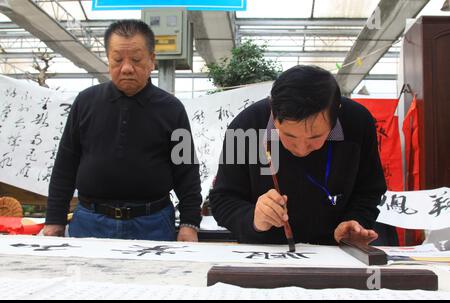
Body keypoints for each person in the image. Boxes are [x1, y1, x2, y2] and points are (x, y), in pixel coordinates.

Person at [43, 20, 201, 241]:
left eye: (136, 60)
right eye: (118, 60)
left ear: (152, 60)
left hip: (152, 223)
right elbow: (65, 164)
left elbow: (187, 171)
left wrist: (189, 222)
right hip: (90, 221)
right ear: (108, 60)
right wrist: (54, 219)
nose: (126, 68)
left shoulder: (172, 109)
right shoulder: (86, 102)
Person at [210, 65, 397, 246]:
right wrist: (254, 218)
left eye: (315, 137)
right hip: (266, 252)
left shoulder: (357, 122)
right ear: (273, 112)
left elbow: (369, 189)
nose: (301, 149)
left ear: (336, 113)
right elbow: (223, 200)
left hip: (335, 251)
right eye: (289, 136)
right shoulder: (246, 127)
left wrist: (354, 221)